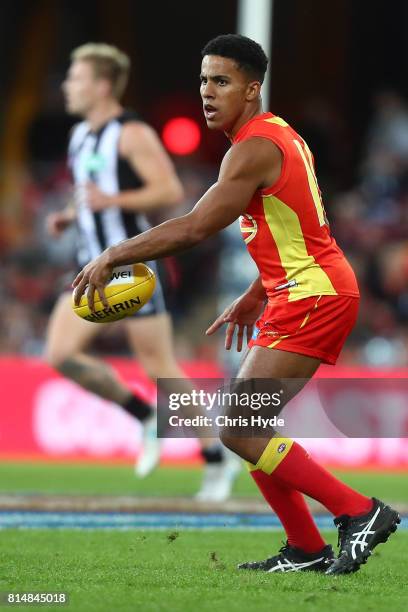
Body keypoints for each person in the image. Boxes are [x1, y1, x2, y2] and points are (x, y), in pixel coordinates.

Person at [72, 35, 400, 575]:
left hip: (313, 295)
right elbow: (296, 226)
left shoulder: (252, 148)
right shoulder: (276, 137)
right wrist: (257, 292)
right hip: (300, 289)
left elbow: (197, 226)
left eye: (221, 81)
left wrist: (116, 253)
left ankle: (359, 511)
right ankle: (305, 548)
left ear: (253, 88)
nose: (206, 91)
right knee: (250, 426)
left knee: (238, 426)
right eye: (203, 80)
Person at [45, 42, 238, 501]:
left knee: (160, 368)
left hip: (132, 268)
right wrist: (70, 214)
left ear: (102, 85)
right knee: (59, 355)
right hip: (89, 267)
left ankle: (215, 459)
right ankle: (145, 416)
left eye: (76, 77)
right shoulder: (80, 136)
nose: (68, 86)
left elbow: (168, 189)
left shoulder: (130, 133)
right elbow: (90, 192)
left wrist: (112, 203)